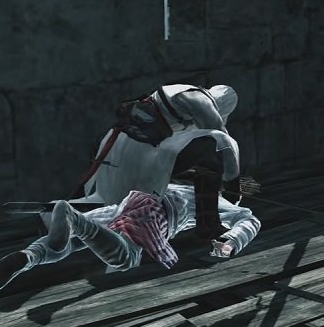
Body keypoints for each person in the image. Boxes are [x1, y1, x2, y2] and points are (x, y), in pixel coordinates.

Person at [0, 183, 261, 296]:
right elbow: (250, 220)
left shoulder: (182, 179)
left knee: (68, 242)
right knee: (127, 258)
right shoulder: (218, 200)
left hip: (126, 205)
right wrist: (230, 243)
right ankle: (71, 215)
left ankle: (28, 257)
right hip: (154, 216)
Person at [68, 83, 246, 240]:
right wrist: (233, 185)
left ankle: (61, 218)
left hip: (135, 149)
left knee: (113, 203)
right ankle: (208, 224)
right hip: (139, 150)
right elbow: (225, 143)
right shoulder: (199, 99)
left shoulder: (183, 103)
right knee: (212, 149)